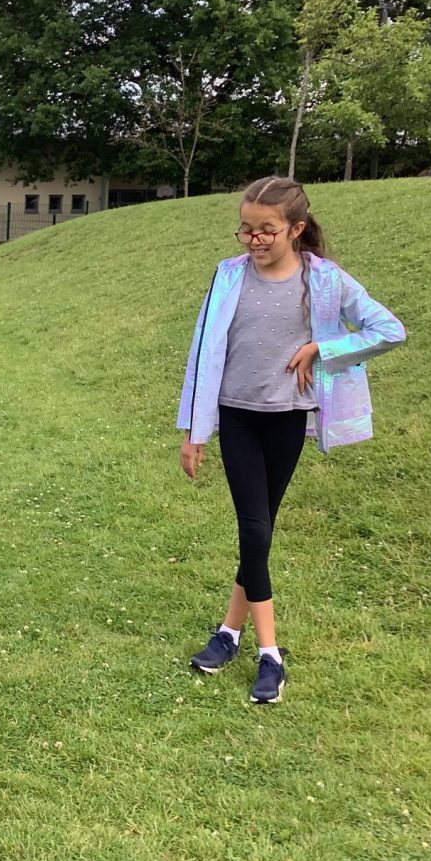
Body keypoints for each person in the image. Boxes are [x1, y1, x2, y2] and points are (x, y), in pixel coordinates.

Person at [177, 176, 405, 704]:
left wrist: (323, 348)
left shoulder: (324, 280)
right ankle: (269, 654)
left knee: (259, 533)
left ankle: (228, 634)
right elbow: (203, 351)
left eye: (267, 230)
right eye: (246, 229)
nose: (254, 239)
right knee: (254, 530)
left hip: (286, 420)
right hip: (236, 417)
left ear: (296, 229)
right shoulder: (228, 275)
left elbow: (389, 329)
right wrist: (195, 430)